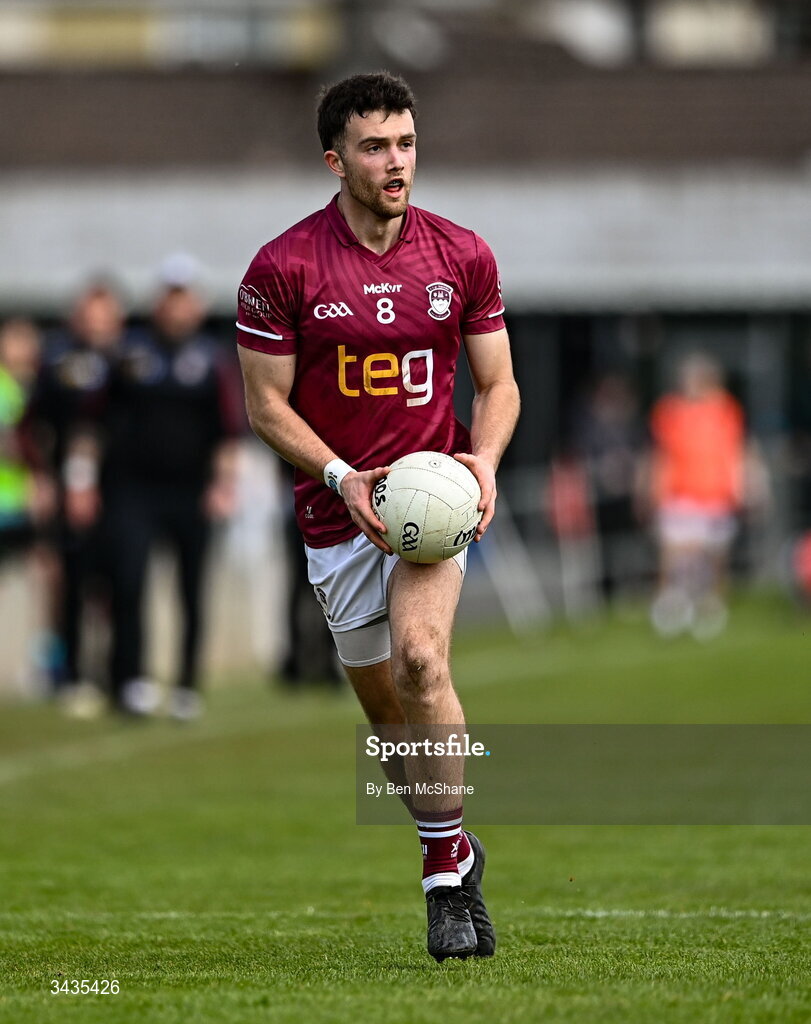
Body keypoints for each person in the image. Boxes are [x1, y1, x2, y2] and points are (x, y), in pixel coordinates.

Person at [236, 71, 520, 961]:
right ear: (335, 158)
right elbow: (265, 406)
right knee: (391, 722)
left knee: (420, 661)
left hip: (433, 504)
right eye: (373, 146)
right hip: (337, 515)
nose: (394, 162)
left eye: (403, 142)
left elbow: (498, 383)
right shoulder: (282, 267)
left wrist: (484, 459)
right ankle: (454, 844)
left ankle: (441, 886)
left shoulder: (461, 253)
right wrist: (338, 474)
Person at [104, 257, 243, 719]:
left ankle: (186, 683)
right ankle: (132, 680)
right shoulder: (130, 352)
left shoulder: (212, 359)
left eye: (184, 297)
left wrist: (223, 485)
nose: (176, 307)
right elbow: (97, 419)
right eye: (169, 296)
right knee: (129, 581)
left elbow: (227, 431)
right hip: (134, 489)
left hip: (190, 490)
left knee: (191, 587)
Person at [23, 283, 124, 709]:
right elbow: (32, 427)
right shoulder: (58, 363)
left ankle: (119, 674)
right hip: (73, 492)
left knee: (121, 584)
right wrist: (43, 478)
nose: (97, 325)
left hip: (123, 491)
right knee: (73, 582)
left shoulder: (131, 362)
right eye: (90, 316)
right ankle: (72, 675)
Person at [648, 352, 745, 639]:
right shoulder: (669, 411)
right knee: (675, 553)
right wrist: (654, 488)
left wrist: (741, 484)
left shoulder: (726, 410)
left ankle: (711, 607)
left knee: (714, 556)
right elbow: (661, 454)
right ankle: (671, 605)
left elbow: (736, 450)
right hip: (681, 492)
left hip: (716, 494)